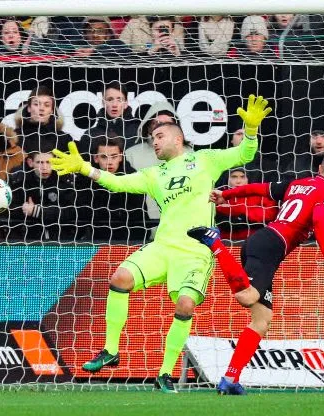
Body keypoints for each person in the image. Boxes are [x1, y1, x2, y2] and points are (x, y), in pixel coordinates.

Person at [50, 95, 271, 393]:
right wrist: (85, 168)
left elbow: (244, 153)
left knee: (185, 304)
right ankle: (110, 350)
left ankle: (165, 373)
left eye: (159, 136)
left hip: (194, 250)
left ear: (178, 138)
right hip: (162, 245)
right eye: (152, 137)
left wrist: (252, 129)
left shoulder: (205, 159)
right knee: (120, 278)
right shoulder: (155, 174)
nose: (154, 142)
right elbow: (119, 184)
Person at [187, 148, 324, 395]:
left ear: (319, 168)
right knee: (247, 297)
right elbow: (318, 217)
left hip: (265, 243)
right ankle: (215, 243)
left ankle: (230, 379)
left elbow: (260, 189)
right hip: (269, 245)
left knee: (261, 321)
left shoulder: (297, 183)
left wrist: (226, 194)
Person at [79, 136, 148, 242]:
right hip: (96, 240)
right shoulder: (85, 180)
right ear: (95, 158)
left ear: (120, 157)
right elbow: (82, 212)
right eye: (104, 157)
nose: (109, 162)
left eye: (114, 156)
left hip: (131, 239)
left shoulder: (133, 177)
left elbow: (136, 214)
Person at [7, 148, 78, 241]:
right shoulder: (18, 181)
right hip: (26, 240)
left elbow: (71, 211)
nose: (44, 167)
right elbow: (9, 209)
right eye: (40, 162)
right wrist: (24, 210)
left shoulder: (66, 181)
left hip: (61, 240)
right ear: (30, 162)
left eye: (49, 162)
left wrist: (36, 211)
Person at [77, 81, 140, 161]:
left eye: (119, 100)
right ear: (103, 103)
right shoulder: (90, 135)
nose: (114, 104)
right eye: (110, 99)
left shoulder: (139, 130)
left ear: (126, 103)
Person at [215, 167, 278, 240]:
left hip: (256, 240)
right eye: (234, 177)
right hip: (226, 241)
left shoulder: (259, 194)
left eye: (242, 177)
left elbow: (271, 213)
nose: (238, 181)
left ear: (248, 179)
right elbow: (220, 222)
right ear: (227, 179)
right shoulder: (218, 197)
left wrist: (237, 212)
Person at [14, 86, 73, 154]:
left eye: (47, 105)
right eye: (36, 104)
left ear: (52, 111)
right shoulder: (14, 137)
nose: (41, 108)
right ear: (29, 108)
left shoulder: (64, 139)